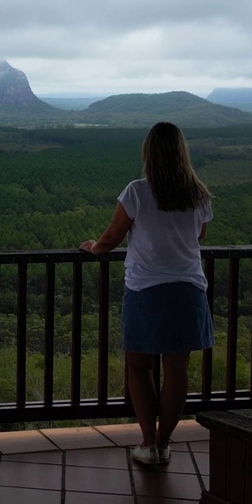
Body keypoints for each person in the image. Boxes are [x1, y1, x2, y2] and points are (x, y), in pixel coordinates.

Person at [79, 121, 213, 466]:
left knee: (139, 368)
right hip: (188, 290)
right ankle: (165, 444)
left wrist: (93, 247)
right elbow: (198, 236)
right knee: (177, 370)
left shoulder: (137, 192)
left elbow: (110, 238)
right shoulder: (198, 193)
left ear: (148, 153)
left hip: (146, 290)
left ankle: (148, 443)